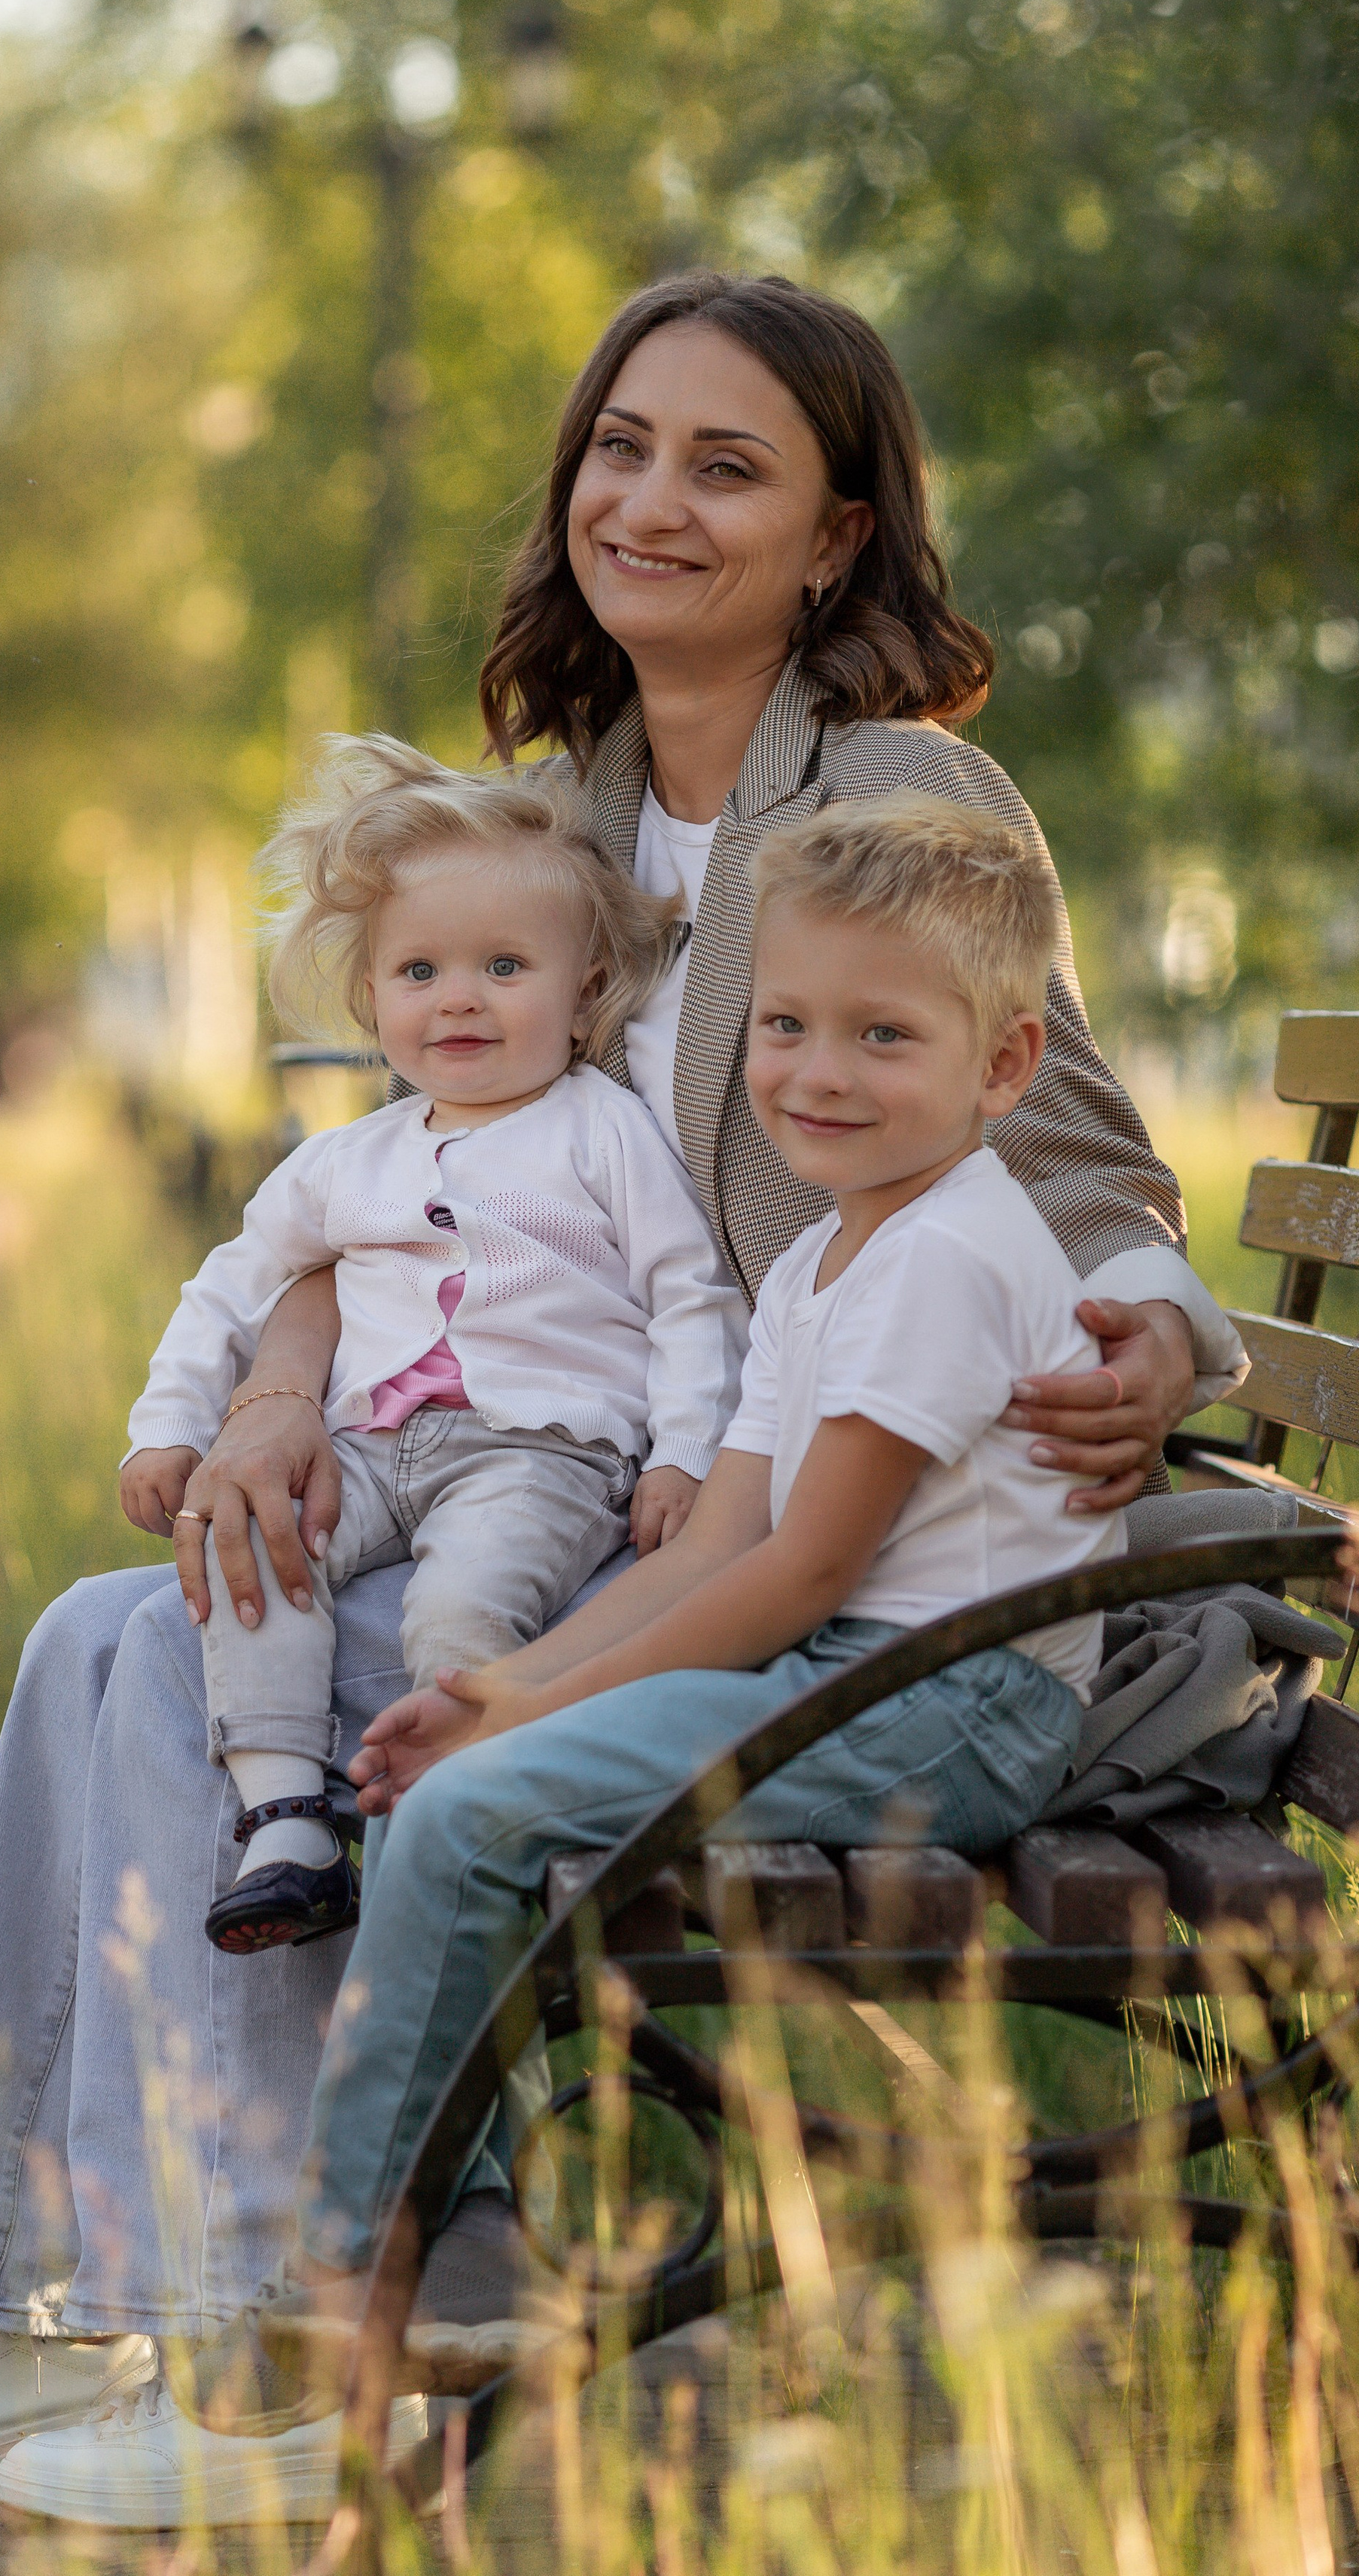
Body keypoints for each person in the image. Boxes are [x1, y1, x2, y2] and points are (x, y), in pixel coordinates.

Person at [0, 273, 1242, 2513]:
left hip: (745, 1520)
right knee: (106, 1625)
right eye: (621, 446)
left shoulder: (896, 791)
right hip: (589, 1484)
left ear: (841, 539)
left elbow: (1083, 1149)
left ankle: (268, 2351)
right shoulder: (559, 806)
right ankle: (9, 2316)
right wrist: (280, 1371)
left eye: (727, 466)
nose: (650, 499)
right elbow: (410, 1177)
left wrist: (1146, 1329)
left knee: (163, 1674)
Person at [120, 788, 1249, 2495]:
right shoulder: (818, 1258)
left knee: (471, 1810)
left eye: (882, 1035)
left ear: (1003, 1066)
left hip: (956, 1702)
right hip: (856, 1675)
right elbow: (713, 1536)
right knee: (452, 1775)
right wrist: (504, 1686)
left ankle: (356, 2271)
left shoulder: (944, 1255)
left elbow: (795, 1574)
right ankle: (412, 2258)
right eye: (785, 1027)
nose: (815, 1072)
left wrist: (535, 1716)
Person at [127, 737, 745, 1954]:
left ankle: (441, 1838)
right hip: (368, 1449)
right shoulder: (348, 1160)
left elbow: (692, 1298)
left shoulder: (604, 1134)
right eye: (420, 970)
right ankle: (288, 1820)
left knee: (462, 1605)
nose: (459, 997)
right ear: (371, 1003)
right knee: (261, 1547)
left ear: (587, 988)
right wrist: (171, 1423)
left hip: (541, 1453)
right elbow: (230, 1289)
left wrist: (683, 1453)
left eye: (505, 966)